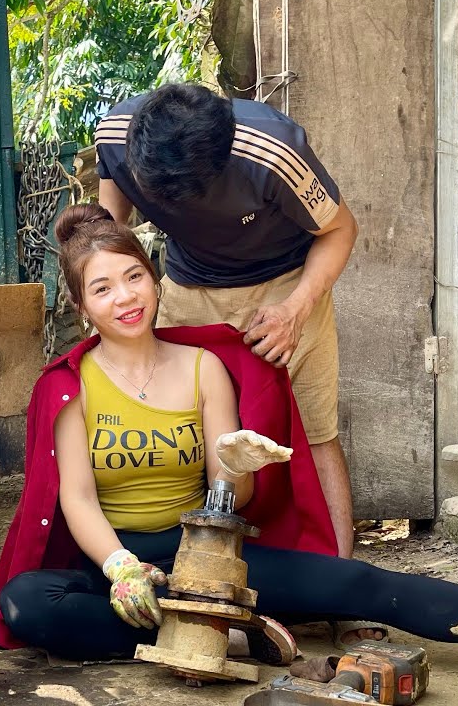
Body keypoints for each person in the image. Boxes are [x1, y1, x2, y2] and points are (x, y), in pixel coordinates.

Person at [0, 205, 458, 704]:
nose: (125, 297)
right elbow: (74, 498)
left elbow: (231, 506)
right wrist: (123, 568)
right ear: (82, 308)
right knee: (26, 602)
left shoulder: (205, 368)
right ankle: (221, 634)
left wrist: (233, 472)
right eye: (102, 289)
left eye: (134, 276)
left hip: (206, 556)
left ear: (154, 279)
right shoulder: (69, 385)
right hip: (127, 561)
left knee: (361, 584)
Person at [95, 84, 359, 565]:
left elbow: (342, 230)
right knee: (183, 431)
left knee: (312, 431)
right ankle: (193, 568)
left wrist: (295, 310)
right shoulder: (114, 134)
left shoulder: (274, 150)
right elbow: (110, 221)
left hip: (284, 289)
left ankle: (342, 583)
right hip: (187, 290)